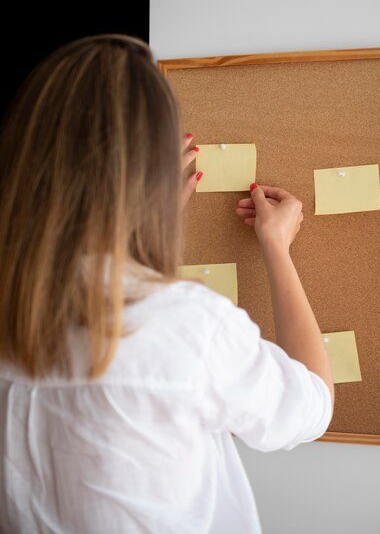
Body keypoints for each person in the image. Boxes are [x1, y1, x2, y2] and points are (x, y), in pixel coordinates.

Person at [0, 34, 334, 534]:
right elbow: (313, 404)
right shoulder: (186, 324)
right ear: (145, 174)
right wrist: (276, 245)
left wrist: (140, 225)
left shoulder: (13, 308)